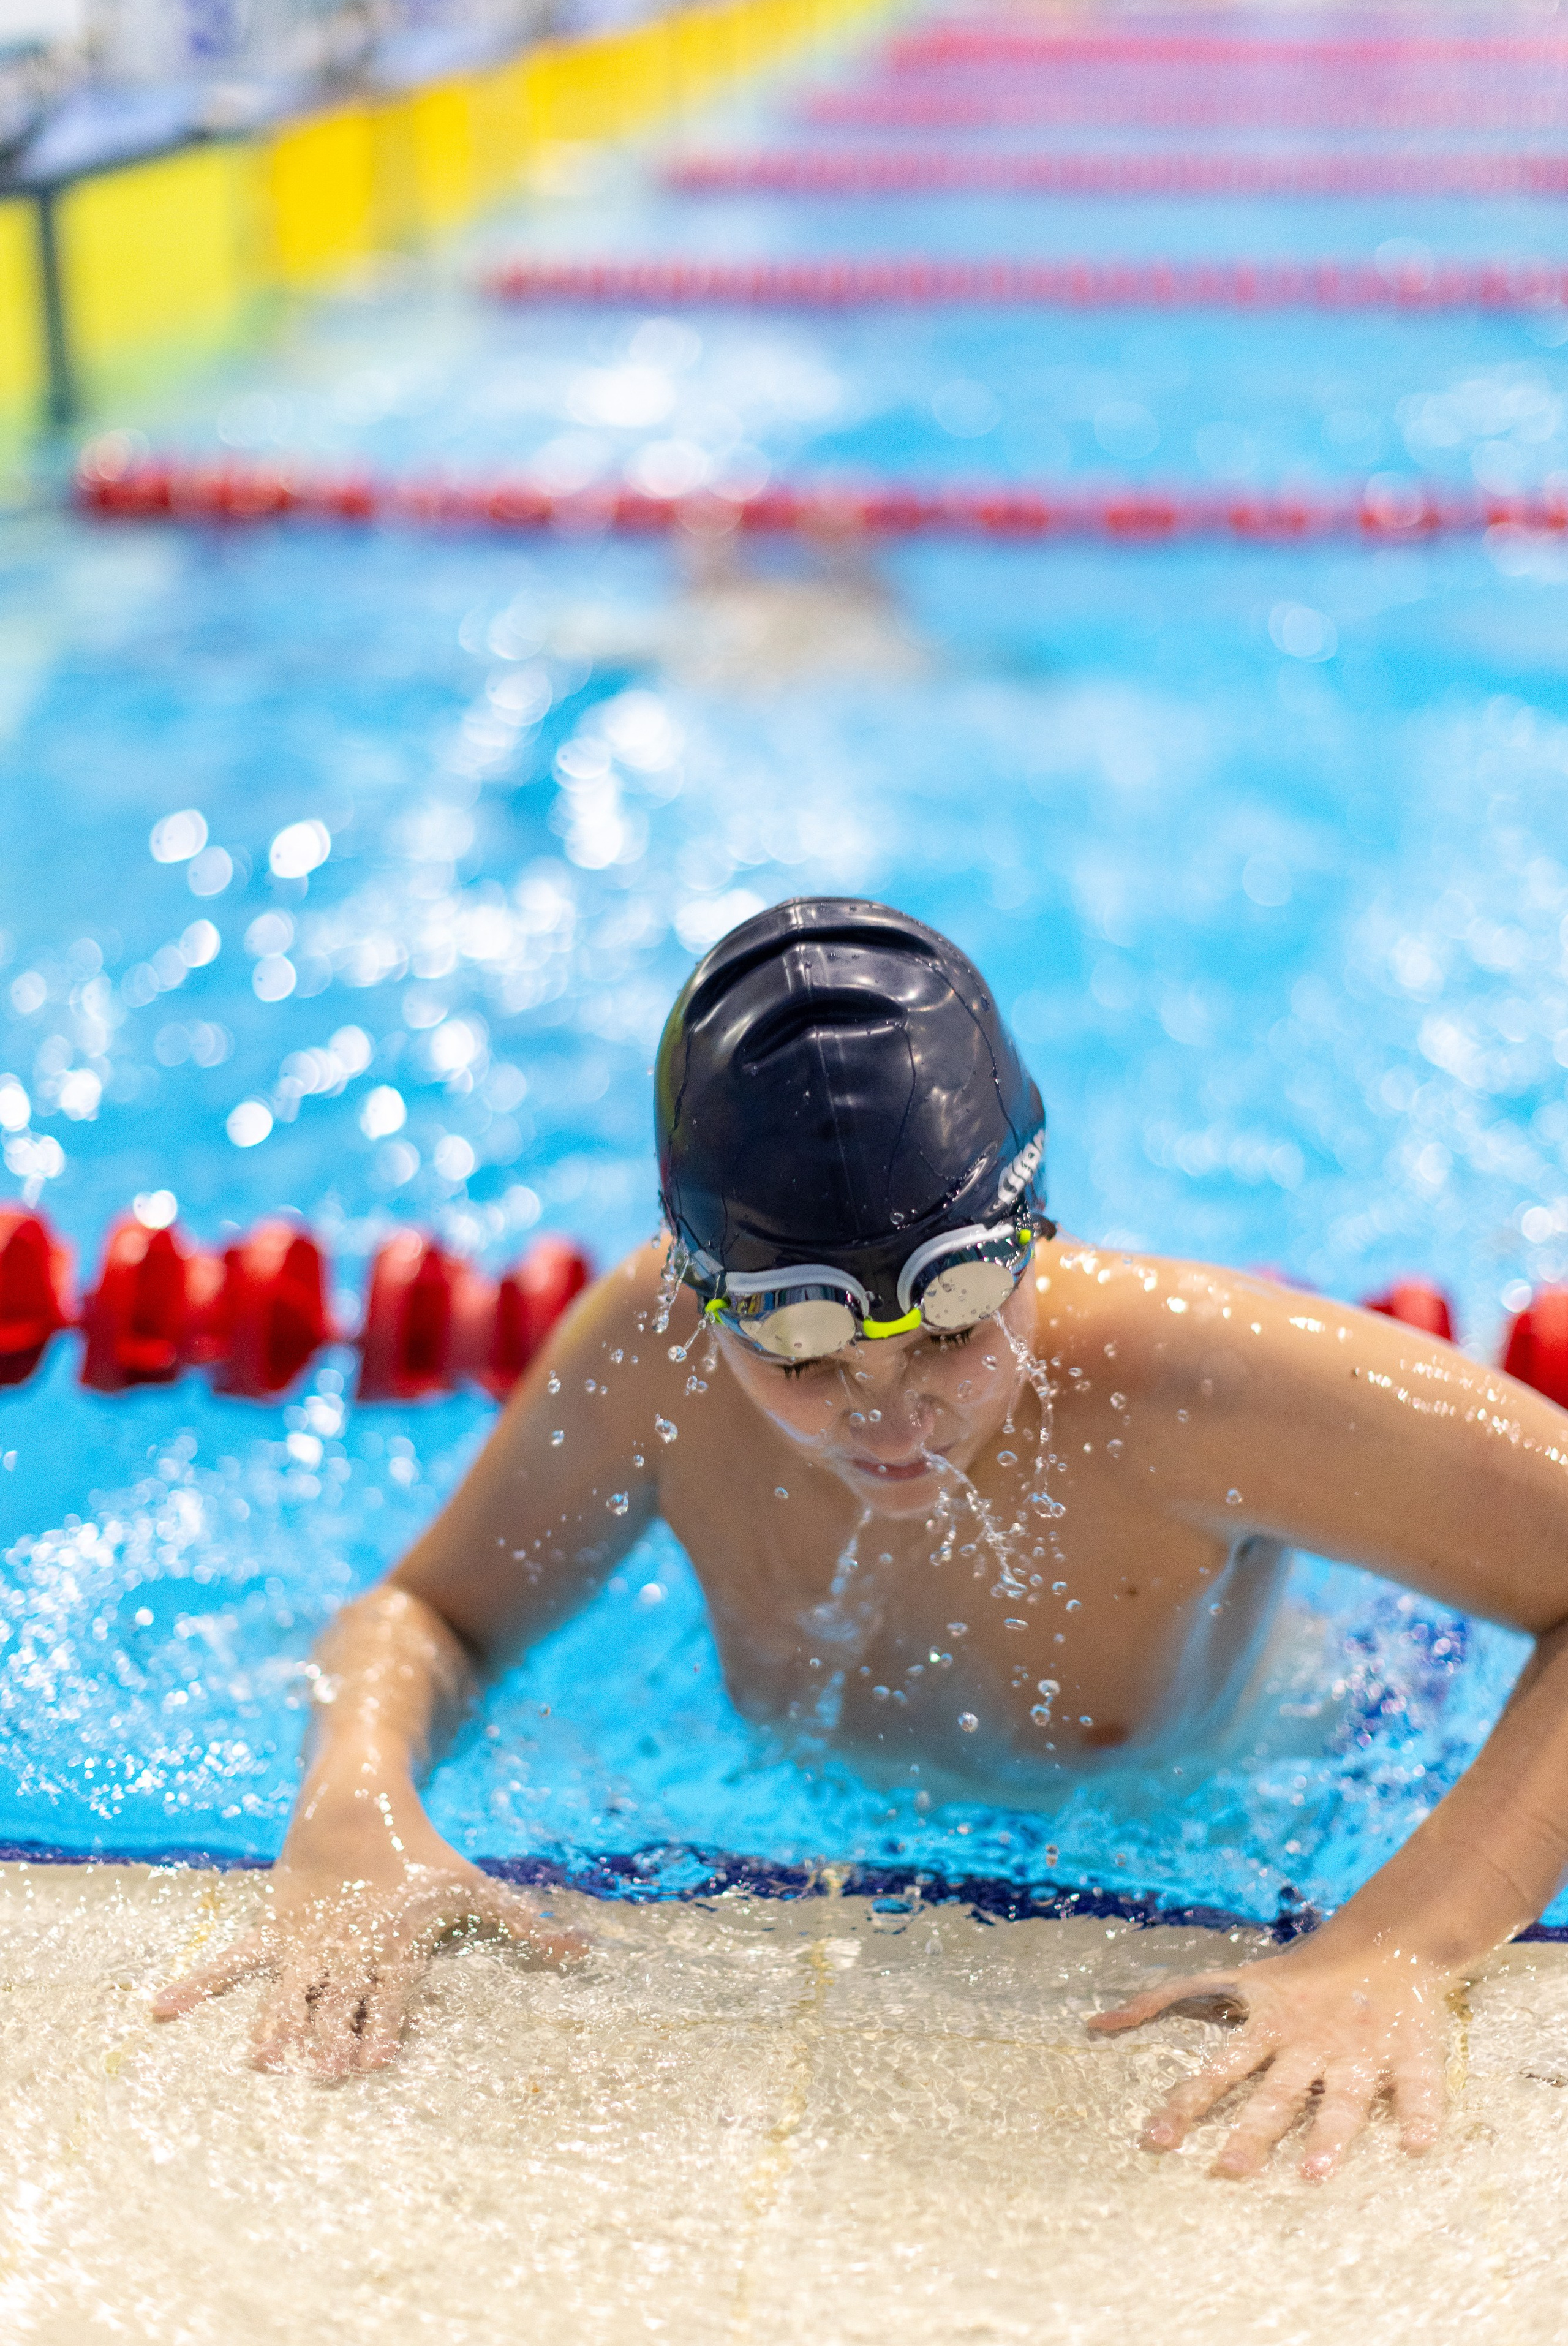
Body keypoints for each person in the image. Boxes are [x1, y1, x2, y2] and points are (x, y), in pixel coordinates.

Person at [156, 897, 1568, 2182]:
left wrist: (1398, 1943)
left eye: (957, 1322)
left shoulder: (1199, 1388)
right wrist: (356, 1809)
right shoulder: (655, 1354)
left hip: (1273, 1785)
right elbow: (428, 1615)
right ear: (712, 1300)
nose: (890, 1406)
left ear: (1028, 1237)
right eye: (806, 1349)